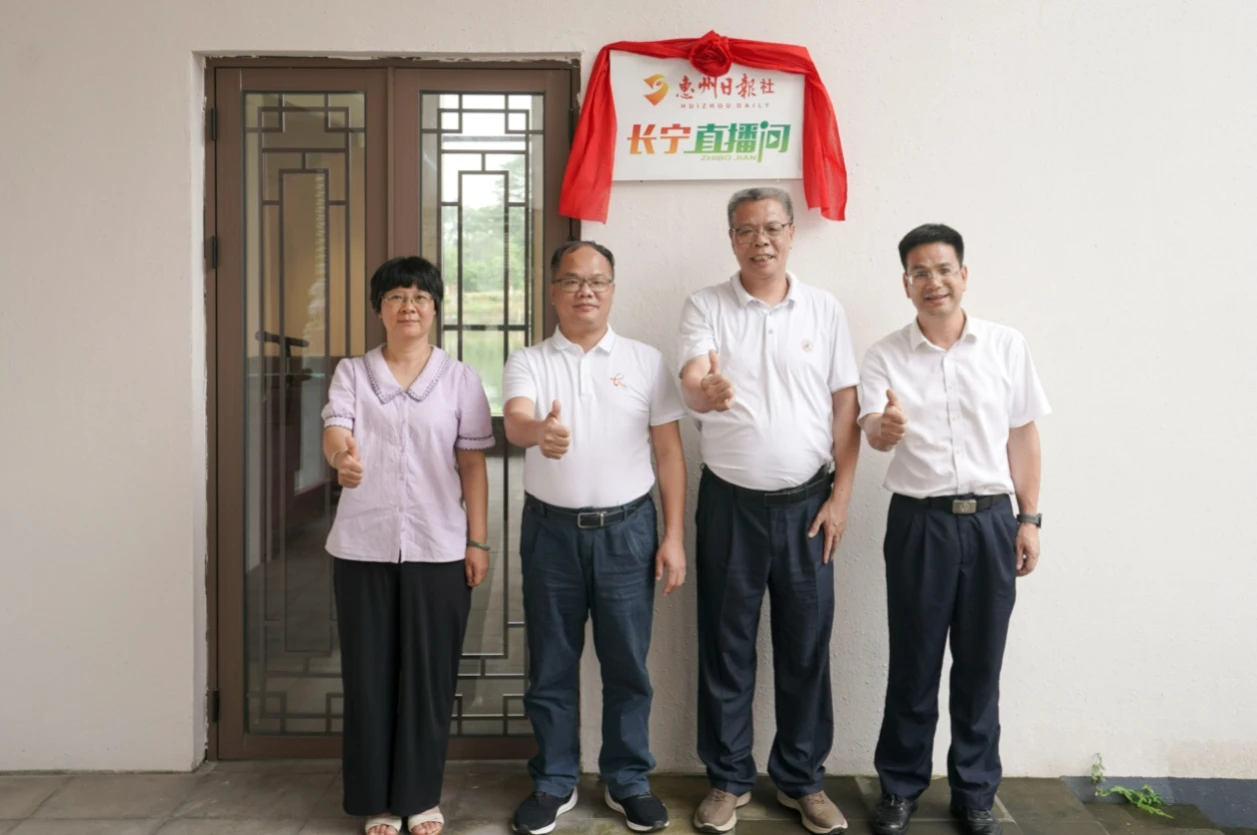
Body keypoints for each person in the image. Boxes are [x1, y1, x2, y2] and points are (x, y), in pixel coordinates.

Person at [677, 187, 861, 835]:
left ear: (791, 234)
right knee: (725, 645)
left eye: (773, 228)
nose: (761, 241)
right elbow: (692, 378)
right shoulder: (705, 305)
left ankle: (802, 780)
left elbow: (845, 404)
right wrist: (706, 388)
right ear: (731, 238)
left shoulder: (823, 308)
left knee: (805, 646)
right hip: (730, 505)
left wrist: (840, 497)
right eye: (747, 230)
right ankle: (728, 779)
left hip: (809, 504)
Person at [858, 224, 1050, 835]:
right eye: (920, 272)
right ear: (906, 284)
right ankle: (899, 788)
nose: (933, 282)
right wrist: (884, 430)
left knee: (979, 666)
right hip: (920, 524)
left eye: (943, 269)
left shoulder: (1005, 345)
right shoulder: (884, 355)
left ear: (963, 275)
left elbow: (1023, 435)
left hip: (993, 521)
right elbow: (872, 428)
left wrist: (1029, 518)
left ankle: (974, 792)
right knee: (913, 664)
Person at [504, 241, 688, 835]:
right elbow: (516, 421)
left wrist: (674, 536)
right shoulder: (529, 360)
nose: (585, 291)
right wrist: (541, 432)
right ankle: (554, 780)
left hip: (628, 533)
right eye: (572, 280)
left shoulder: (645, 361)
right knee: (551, 664)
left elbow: (669, 454)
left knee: (627, 663)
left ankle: (627, 779)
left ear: (612, 289)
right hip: (550, 535)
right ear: (553, 290)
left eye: (598, 281)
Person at [321, 256, 493, 835]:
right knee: (368, 677)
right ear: (379, 308)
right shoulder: (352, 372)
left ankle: (420, 797)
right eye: (396, 296)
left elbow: (473, 465)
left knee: (428, 677)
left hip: (438, 547)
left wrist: (477, 541)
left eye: (420, 297)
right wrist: (341, 456)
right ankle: (377, 800)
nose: (409, 307)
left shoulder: (460, 379)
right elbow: (336, 429)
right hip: (362, 546)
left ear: (435, 307)